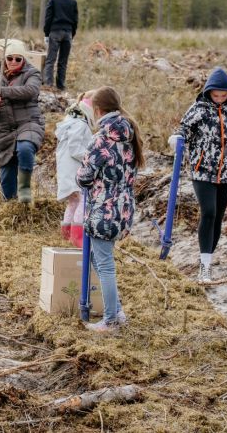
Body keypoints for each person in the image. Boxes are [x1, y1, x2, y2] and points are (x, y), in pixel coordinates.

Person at [169, 67, 227, 284]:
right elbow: (184, 128)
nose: (220, 99)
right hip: (202, 171)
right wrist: (177, 137)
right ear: (209, 92)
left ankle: (207, 262)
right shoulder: (199, 108)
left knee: (219, 217)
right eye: (216, 95)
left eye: (224, 95)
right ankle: (204, 268)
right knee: (209, 213)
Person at [76, 86, 143, 333]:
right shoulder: (131, 134)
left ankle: (111, 320)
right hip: (123, 209)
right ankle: (117, 311)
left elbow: (84, 177)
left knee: (104, 264)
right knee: (100, 259)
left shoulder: (101, 139)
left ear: (97, 109)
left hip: (103, 209)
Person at [0, 39, 44, 203]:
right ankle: (12, 205)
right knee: (7, 177)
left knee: (26, 148)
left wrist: (3, 91)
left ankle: (25, 188)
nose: (13, 62)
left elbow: (31, 91)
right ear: (4, 58)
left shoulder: (32, 73)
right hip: (4, 129)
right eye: (10, 58)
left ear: (23, 59)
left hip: (28, 122)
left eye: (18, 59)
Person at [55, 93, 95, 247]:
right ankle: (78, 238)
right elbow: (75, 148)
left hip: (67, 170)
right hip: (74, 172)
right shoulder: (80, 125)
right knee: (83, 201)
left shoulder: (70, 122)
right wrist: (91, 157)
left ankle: (66, 236)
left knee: (73, 202)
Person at [43, 0, 79, 91]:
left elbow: (48, 17)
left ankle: (48, 84)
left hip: (55, 32)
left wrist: (46, 33)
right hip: (68, 33)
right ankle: (61, 85)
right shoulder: (73, 1)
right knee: (63, 61)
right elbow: (75, 20)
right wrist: (72, 34)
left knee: (50, 60)